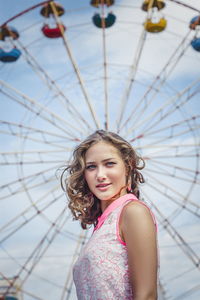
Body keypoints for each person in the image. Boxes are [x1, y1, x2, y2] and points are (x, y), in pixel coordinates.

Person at [61, 130, 158, 300]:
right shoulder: (102, 225)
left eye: (109, 163)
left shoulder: (133, 212)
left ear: (128, 166)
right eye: (91, 167)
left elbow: (146, 295)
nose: (100, 175)